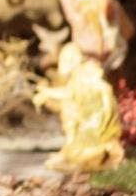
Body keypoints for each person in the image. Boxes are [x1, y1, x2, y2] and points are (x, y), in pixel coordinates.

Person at [32, 44, 125, 173]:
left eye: (64, 60)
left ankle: (97, 153)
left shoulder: (86, 74)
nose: (61, 65)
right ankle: (78, 151)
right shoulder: (79, 75)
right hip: (88, 122)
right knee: (68, 107)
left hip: (94, 125)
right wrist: (47, 93)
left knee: (74, 150)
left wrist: (47, 92)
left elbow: (71, 93)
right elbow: (71, 93)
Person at [57, 0, 133, 71]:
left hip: (111, 50)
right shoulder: (73, 3)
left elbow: (126, 30)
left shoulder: (106, 3)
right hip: (91, 52)